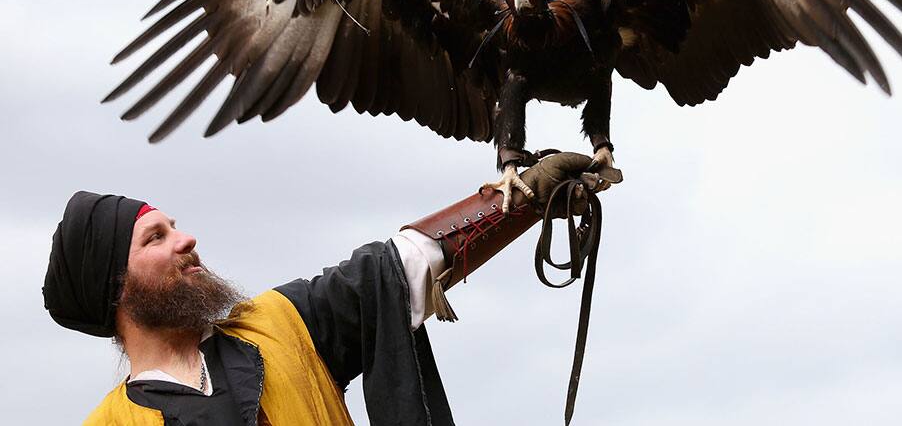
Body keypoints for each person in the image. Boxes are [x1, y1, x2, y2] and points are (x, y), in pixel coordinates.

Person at [43, 152, 618, 426]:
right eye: (157, 237)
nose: (187, 239)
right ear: (116, 286)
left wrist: (520, 198)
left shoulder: (274, 323)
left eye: (177, 225)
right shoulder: (111, 424)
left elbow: (392, 271)